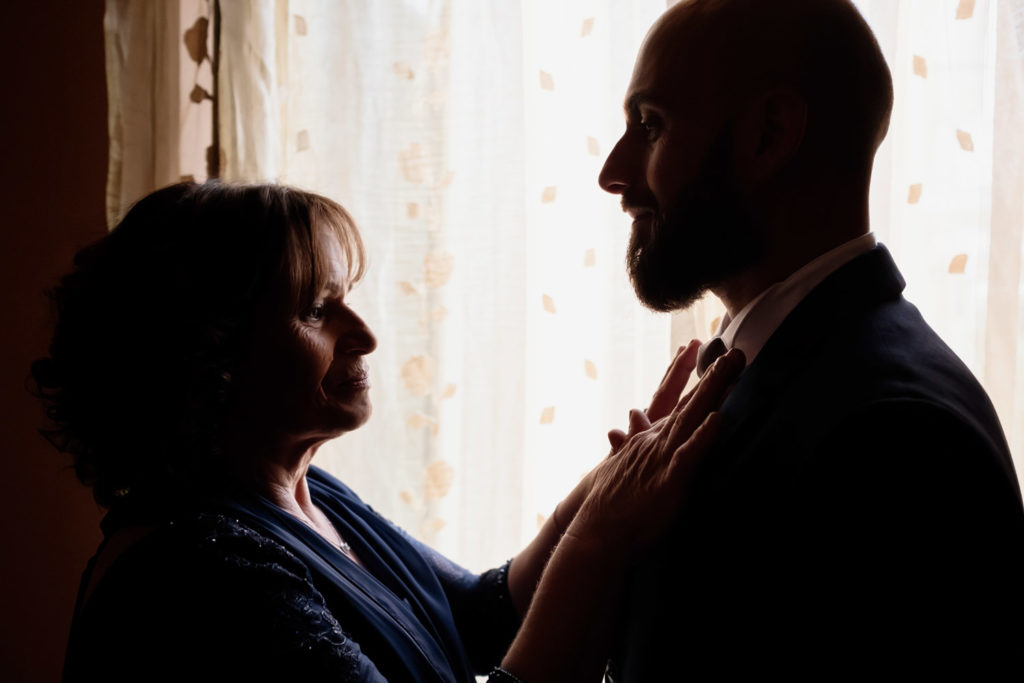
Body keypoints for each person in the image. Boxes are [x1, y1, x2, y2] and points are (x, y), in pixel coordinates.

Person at [34, 180, 742, 682]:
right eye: (318, 309)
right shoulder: (198, 570)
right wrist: (603, 538)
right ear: (211, 355)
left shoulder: (316, 496)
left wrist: (611, 483)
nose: (365, 335)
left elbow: (481, 615)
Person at [597, 0, 1024, 678]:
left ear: (768, 134)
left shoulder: (898, 440)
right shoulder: (768, 374)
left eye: (650, 124)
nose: (613, 174)